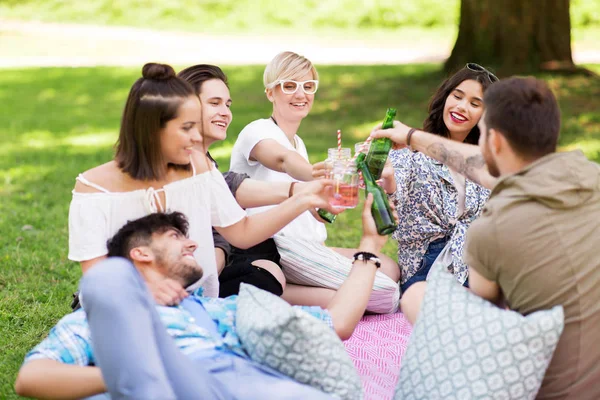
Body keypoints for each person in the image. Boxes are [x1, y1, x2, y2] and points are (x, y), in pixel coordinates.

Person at [15, 198, 390, 399]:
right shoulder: (99, 317)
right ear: (141, 253)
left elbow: (338, 322)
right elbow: (31, 378)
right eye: (175, 236)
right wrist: (125, 373)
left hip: (234, 378)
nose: (193, 242)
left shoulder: (219, 310)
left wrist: (370, 246)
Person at [371, 76, 600, 400]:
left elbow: (481, 322)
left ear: (491, 141)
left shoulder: (493, 230)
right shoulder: (590, 175)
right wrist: (410, 138)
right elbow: (483, 167)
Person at [68, 62, 337, 304]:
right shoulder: (93, 189)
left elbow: (242, 231)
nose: (196, 137)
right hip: (127, 310)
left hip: (199, 308)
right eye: (187, 128)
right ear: (151, 128)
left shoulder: (200, 168)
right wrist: (146, 293)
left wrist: (303, 198)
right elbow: (97, 279)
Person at [229, 51, 400, 312]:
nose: (301, 94)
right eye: (289, 86)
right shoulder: (256, 131)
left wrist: (329, 202)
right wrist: (319, 175)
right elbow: (283, 160)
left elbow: (313, 211)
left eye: (308, 86)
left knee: (389, 268)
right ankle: (276, 289)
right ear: (270, 92)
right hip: (277, 247)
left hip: (308, 249)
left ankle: (284, 289)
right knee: (383, 294)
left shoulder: (299, 144)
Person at [386, 63, 496, 296]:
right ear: (445, 97)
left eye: (475, 104)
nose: (461, 107)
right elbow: (394, 191)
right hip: (427, 268)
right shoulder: (410, 151)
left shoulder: (484, 162)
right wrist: (386, 177)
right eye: (457, 96)